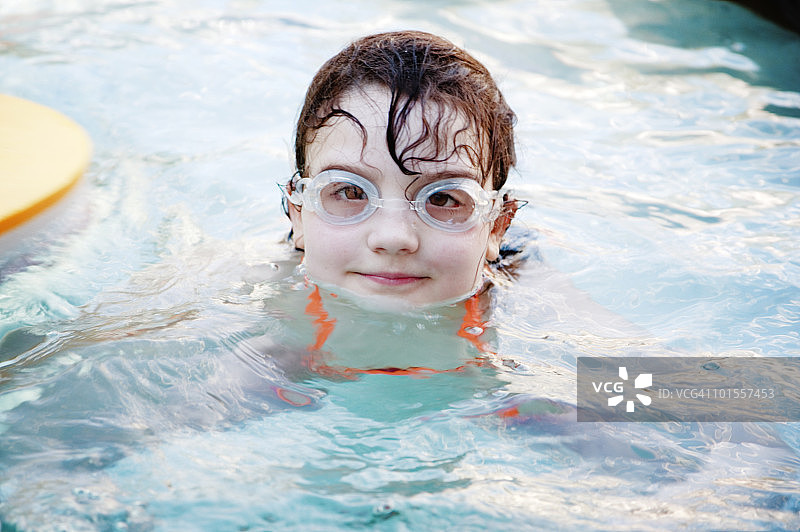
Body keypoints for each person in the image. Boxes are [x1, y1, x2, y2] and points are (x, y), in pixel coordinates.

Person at [282, 30, 521, 307]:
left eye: (441, 197)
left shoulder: (537, 311)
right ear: (298, 214)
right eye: (350, 191)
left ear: (496, 229)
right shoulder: (260, 298)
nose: (393, 238)